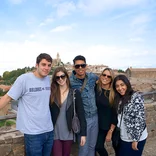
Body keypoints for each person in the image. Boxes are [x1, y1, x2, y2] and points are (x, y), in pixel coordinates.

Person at [0, 53, 54, 156]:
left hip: (49, 130)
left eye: (49, 65)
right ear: (36, 65)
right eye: (43, 64)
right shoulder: (24, 79)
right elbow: (7, 98)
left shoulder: (48, 79)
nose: (46, 68)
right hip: (33, 134)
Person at [50, 66, 86, 156]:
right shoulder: (52, 93)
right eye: (57, 77)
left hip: (68, 131)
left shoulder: (74, 93)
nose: (60, 79)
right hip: (55, 132)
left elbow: (81, 113)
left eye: (62, 76)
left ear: (66, 76)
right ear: (55, 79)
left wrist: (83, 134)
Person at [70, 55, 98, 156]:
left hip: (95, 117)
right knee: (83, 149)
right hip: (82, 119)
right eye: (77, 66)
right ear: (74, 67)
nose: (80, 68)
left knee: (92, 146)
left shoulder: (92, 77)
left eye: (82, 65)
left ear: (86, 66)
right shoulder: (70, 81)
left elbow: (106, 81)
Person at [113, 74, 148, 156]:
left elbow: (140, 119)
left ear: (127, 84)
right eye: (117, 86)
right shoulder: (119, 98)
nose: (120, 88)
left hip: (135, 138)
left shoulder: (136, 97)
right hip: (123, 137)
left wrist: (135, 140)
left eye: (122, 85)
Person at [95, 68, 117, 156]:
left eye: (109, 76)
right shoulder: (96, 88)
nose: (106, 77)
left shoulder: (113, 94)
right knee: (98, 147)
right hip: (98, 125)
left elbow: (115, 114)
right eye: (104, 75)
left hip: (109, 126)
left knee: (116, 147)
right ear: (100, 76)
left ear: (111, 79)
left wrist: (110, 131)